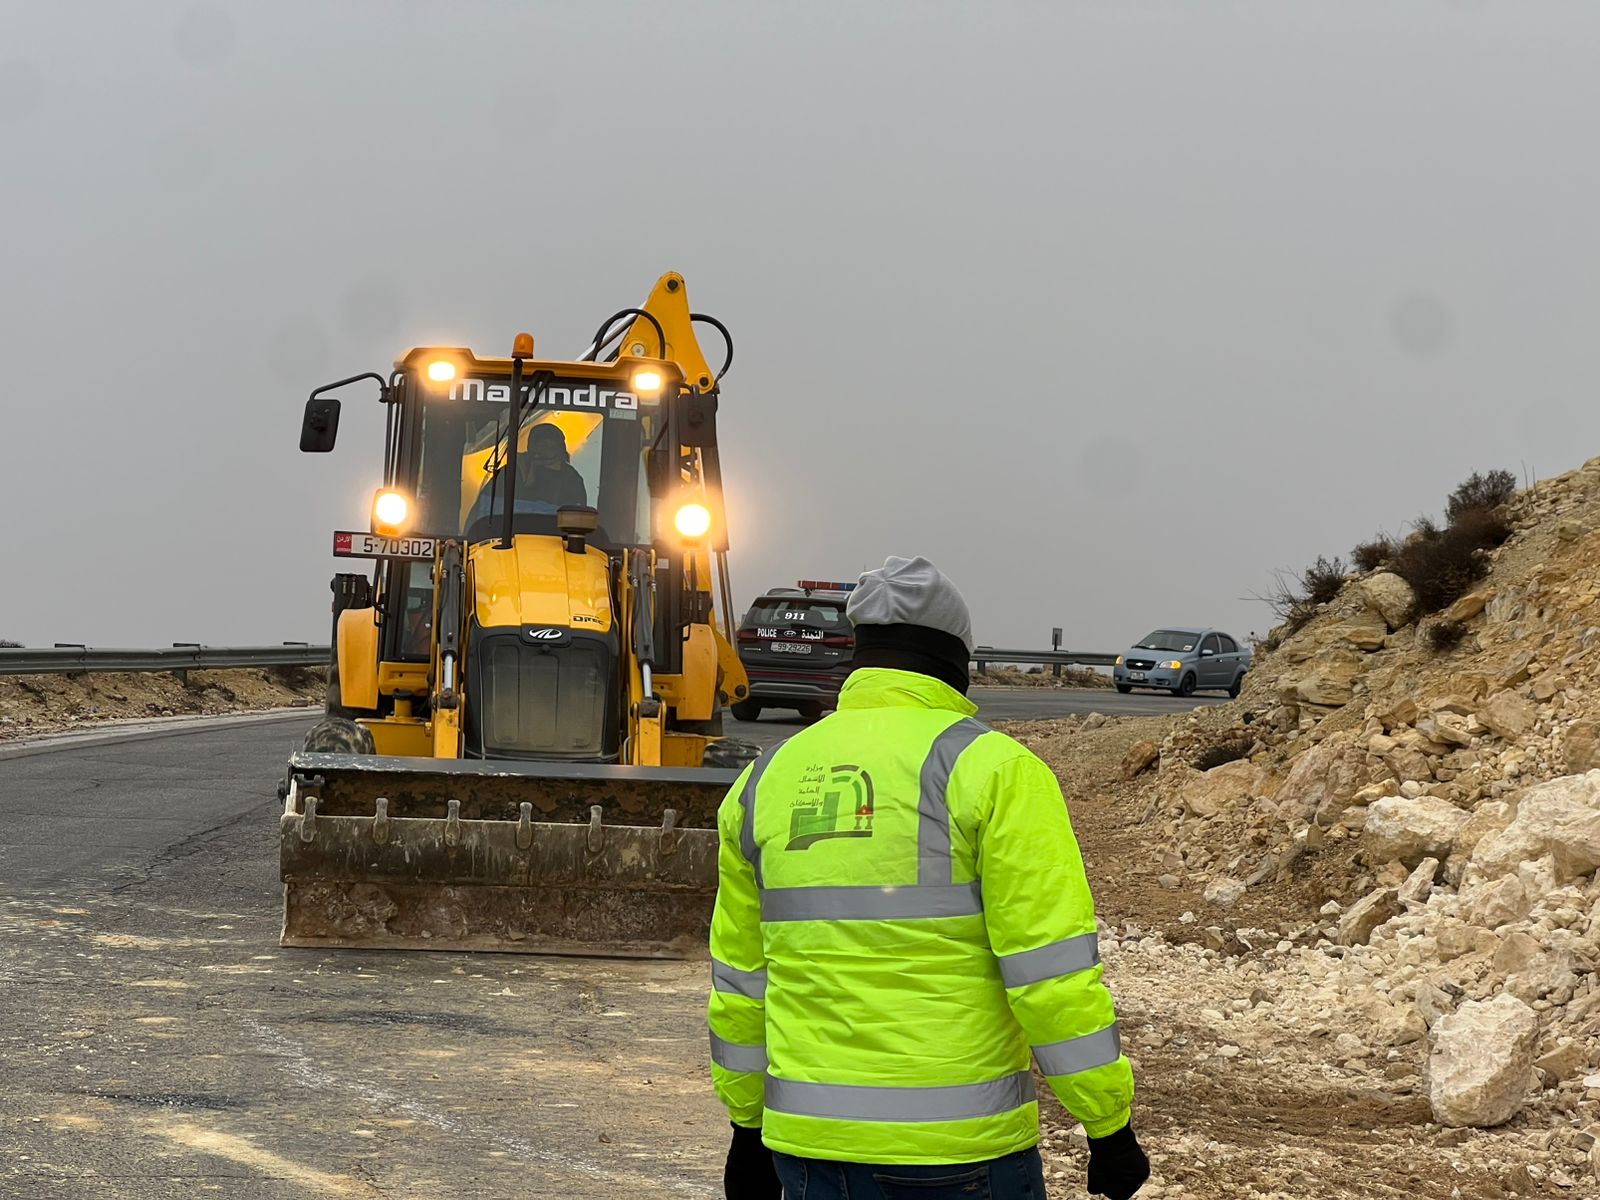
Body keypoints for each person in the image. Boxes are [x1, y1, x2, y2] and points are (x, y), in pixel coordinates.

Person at [708, 555, 1149, 1200]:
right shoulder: (996, 772)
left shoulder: (765, 779)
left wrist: (745, 1127)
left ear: (861, 654)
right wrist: (1108, 1125)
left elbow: (741, 981)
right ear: (954, 659)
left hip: (808, 1149)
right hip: (960, 1149)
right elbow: (1049, 975)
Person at [517, 422, 587, 509]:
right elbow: (502, 504)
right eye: (542, 446)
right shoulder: (517, 469)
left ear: (560, 449)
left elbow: (575, 512)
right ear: (531, 446)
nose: (546, 450)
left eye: (552, 446)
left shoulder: (571, 478)